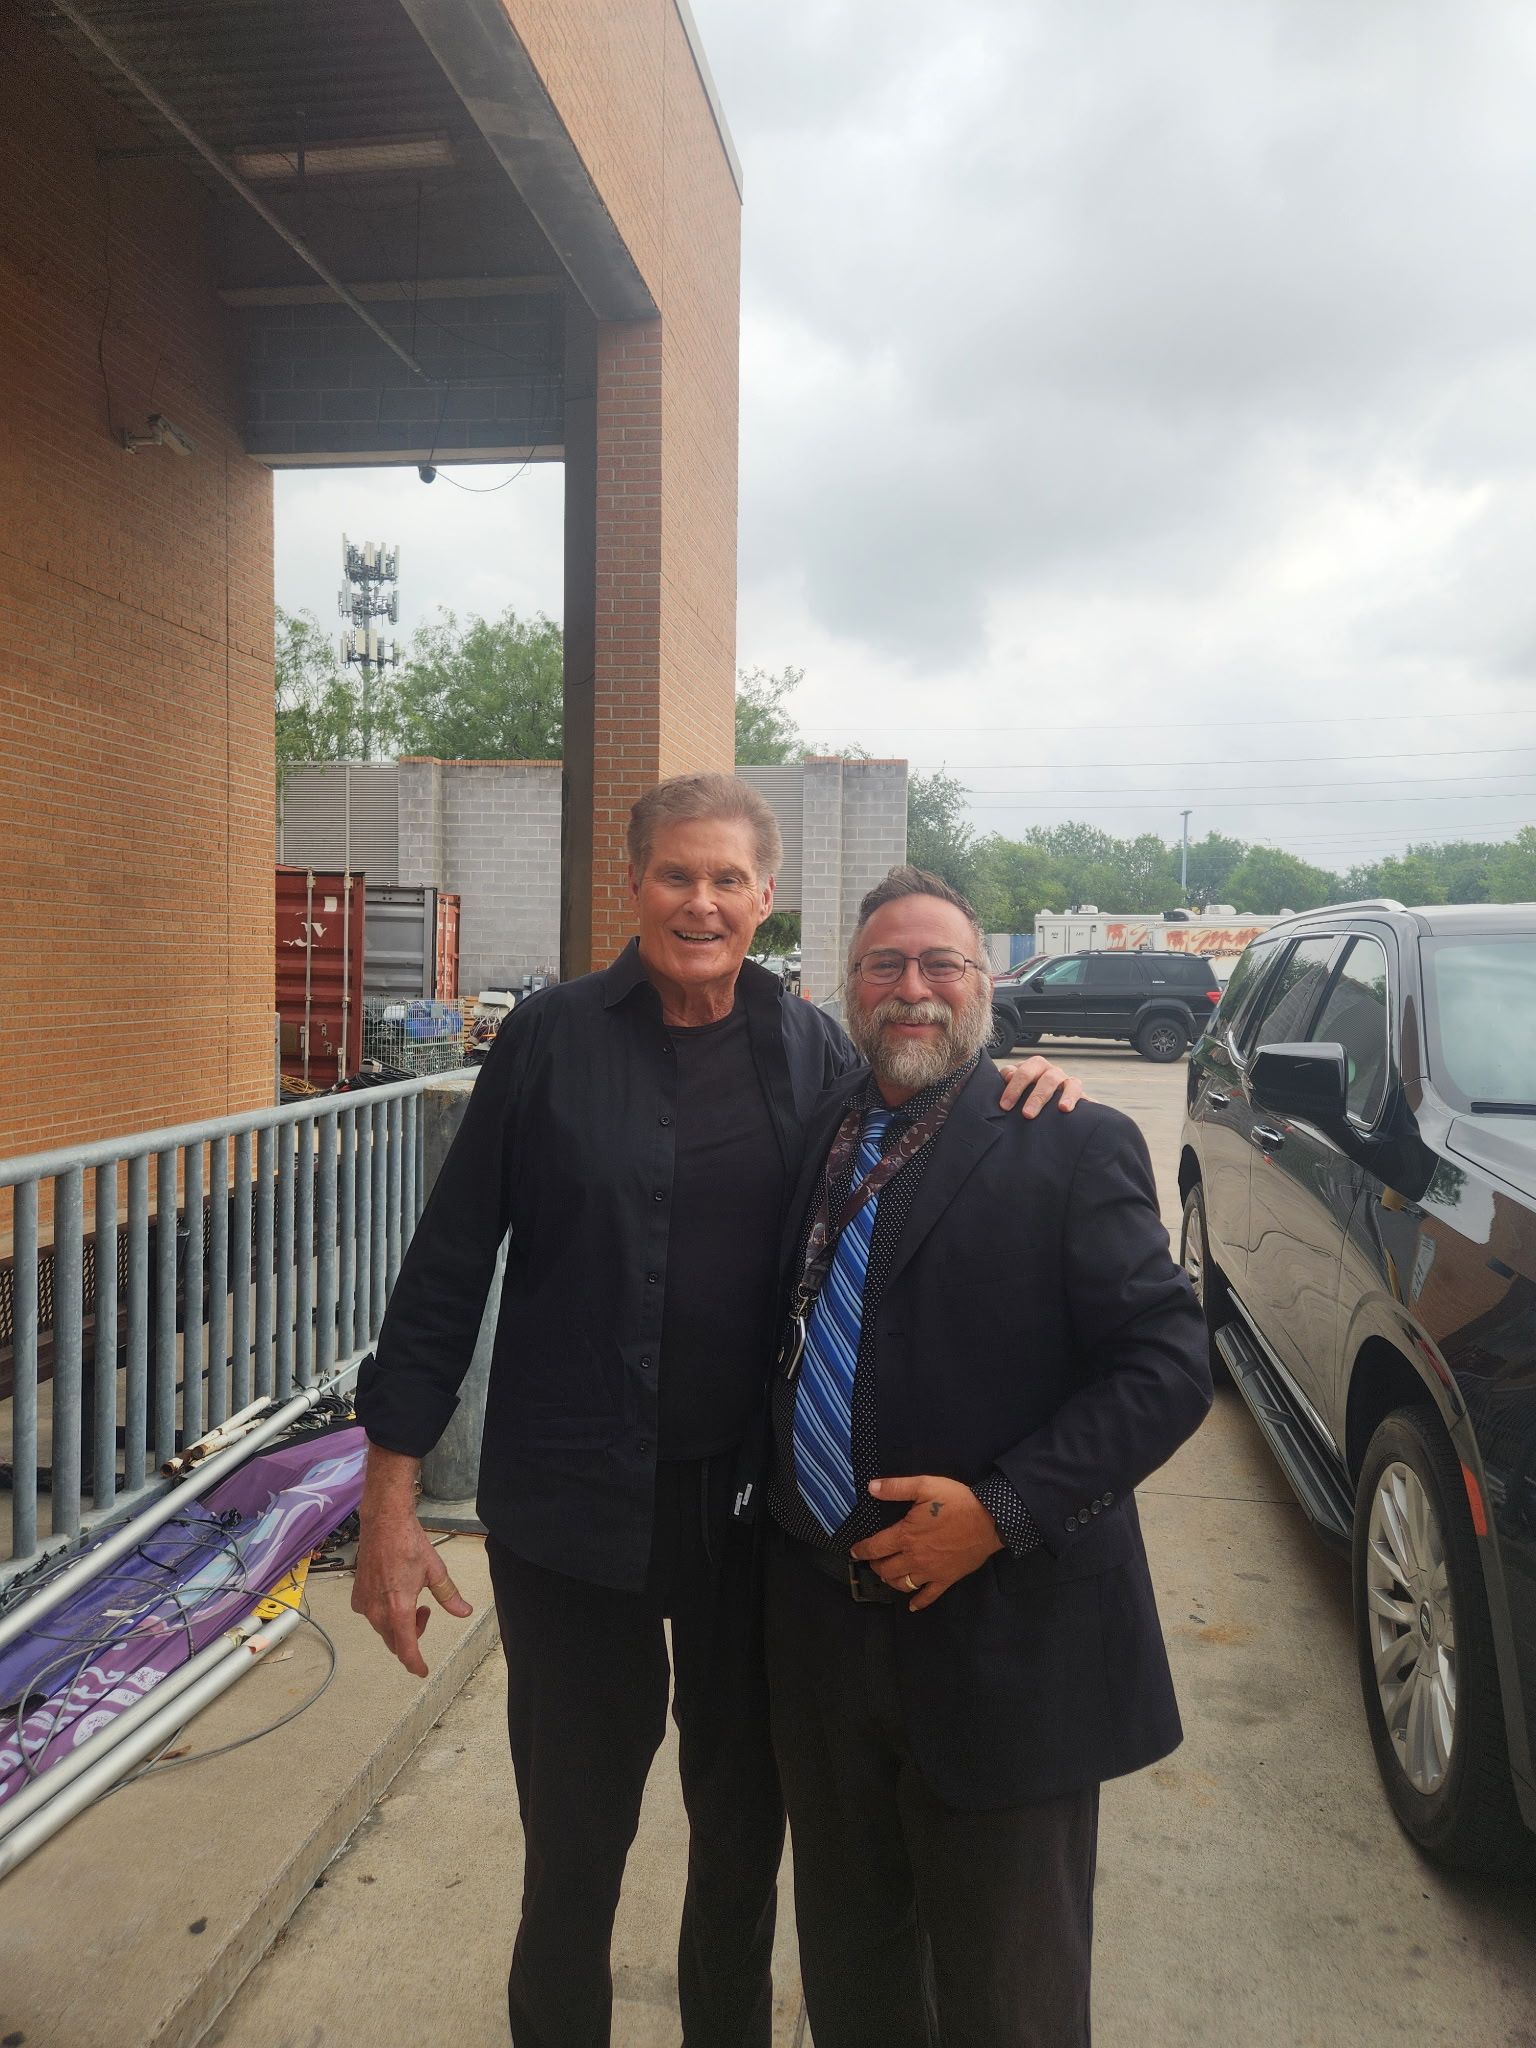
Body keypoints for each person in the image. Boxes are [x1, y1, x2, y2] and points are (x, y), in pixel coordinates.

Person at [348, 776, 1082, 2048]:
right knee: (572, 1842)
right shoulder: (548, 1041)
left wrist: (1021, 1084)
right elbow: (445, 1273)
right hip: (570, 1520)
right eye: (677, 874)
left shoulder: (812, 1052)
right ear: (633, 883)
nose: (702, 900)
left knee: (742, 1841)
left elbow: (928, 1098)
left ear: (763, 896)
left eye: (728, 879)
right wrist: (389, 1497)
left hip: (754, 1524)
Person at [764, 865, 1213, 2048]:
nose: (912, 990)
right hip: (824, 1637)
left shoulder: (1071, 1137)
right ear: (846, 988)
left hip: (1007, 1646)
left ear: (984, 985)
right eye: (885, 966)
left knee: (1008, 2002)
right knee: (854, 1985)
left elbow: (1168, 1364)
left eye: (939, 965)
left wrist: (1004, 1508)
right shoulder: (815, 1134)